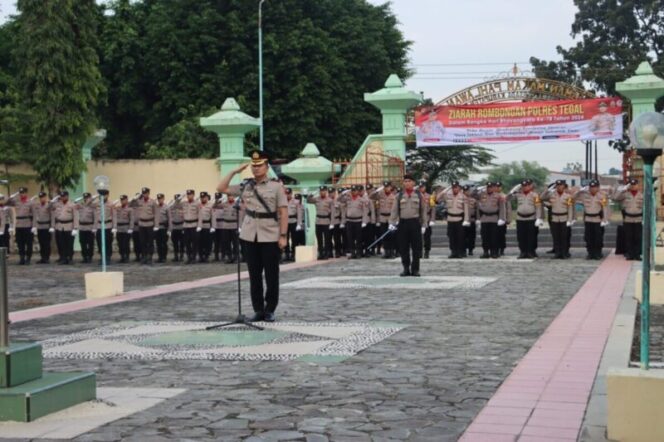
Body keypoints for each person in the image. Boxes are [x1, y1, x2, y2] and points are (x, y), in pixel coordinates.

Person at [216, 150, 288, 323]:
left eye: (259, 165)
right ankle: (258, 310)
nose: (256, 169)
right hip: (249, 235)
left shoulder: (276, 187)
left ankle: (270, 309)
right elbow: (221, 188)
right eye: (254, 166)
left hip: (270, 235)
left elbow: (283, 213)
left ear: (266, 166)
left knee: (271, 276)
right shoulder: (245, 186)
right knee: (254, 275)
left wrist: (283, 235)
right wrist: (234, 172)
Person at [390, 174, 427, 276]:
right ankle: (406, 268)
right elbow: (394, 211)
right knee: (403, 248)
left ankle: (415, 269)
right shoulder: (399, 196)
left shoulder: (419, 195)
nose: (407, 183)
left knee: (416, 248)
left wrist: (424, 225)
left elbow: (423, 211)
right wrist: (392, 223)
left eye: (409, 181)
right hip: (403, 224)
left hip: (415, 223)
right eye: (405, 181)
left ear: (413, 183)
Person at [573, 179, 609, 260]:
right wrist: (579, 191)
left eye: (595, 187)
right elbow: (573, 198)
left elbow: (605, 208)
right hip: (588, 219)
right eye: (591, 187)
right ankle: (590, 253)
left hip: (598, 219)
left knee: (598, 238)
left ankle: (598, 253)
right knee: (588, 237)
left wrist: (605, 219)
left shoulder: (602, 195)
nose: (593, 189)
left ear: (598, 187)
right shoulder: (584, 195)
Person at [508, 179, 543, 259]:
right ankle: (523, 252)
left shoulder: (535, 195)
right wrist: (514, 190)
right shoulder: (518, 194)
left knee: (531, 237)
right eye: (523, 186)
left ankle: (530, 252)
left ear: (530, 186)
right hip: (520, 218)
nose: (525, 187)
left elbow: (538, 207)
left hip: (531, 218)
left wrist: (538, 218)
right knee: (521, 236)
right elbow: (507, 199)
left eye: (527, 186)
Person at [541, 180, 574, 259]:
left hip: (564, 218)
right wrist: (547, 190)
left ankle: (564, 253)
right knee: (556, 237)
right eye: (557, 185)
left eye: (561, 185)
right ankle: (557, 253)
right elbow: (541, 197)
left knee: (564, 236)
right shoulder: (551, 194)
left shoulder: (568, 196)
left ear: (564, 186)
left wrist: (570, 219)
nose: (559, 187)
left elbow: (570, 208)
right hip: (555, 218)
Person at [612, 178, 643, 261]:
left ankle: (637, 254)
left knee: (637, 237)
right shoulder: (625, 194)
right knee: (629, 237)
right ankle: (630, 254)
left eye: (635, 184)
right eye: (631, 185)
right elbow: (615, 198)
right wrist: (622, 190)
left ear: (638, 185)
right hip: (628, 219)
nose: (633, 186)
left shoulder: (641, 195)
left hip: (638, 219)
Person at [436, 181, 469, 259]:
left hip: (459, 219)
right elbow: (437, 198)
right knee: (451, 237)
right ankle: (453, 252)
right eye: (453, 187)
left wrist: (466, 220)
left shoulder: (463, 196)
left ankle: (460, 252)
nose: (455, 189)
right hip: (450, 219)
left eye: (456, 187)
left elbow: (466, 209)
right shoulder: (448, 195)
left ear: (459, 188)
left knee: (460, 237)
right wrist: (446, 190)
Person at [474, 182, 506, 259]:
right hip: (484, 218)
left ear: (493, 188)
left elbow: (502, 208)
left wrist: (501, 218)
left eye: (491, 187)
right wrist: (479, 188)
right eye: (488, 187)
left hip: (494, 218)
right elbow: (472, 195)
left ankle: (494, 252)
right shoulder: (481, 195)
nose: (489, 188)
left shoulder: (498, 196)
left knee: (494, 237)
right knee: (485, 237)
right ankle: (485, 252)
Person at [130, 187, 159, 264]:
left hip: (149, 224)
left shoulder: (152, 202)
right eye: (143, 193)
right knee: (142, 242)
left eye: (146, 193)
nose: (144, 195)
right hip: (141, 224)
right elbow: (130, 205)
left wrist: (156, 225)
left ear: (148, 193)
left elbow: (156, 214)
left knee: (150, 242)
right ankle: (144, 256)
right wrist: (134, 198)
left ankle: (150, 257)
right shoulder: (139, 202)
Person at [369, 182, 397, 259]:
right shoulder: (380, 195)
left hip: (390, 218)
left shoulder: (393, 196)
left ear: (390, 187)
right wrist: (377, 190)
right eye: (385, 187)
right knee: (384, 235)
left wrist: (396, 220)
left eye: (388, 187)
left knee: (391, 236)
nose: (386, 188)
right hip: (382, 218)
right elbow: (371, 196)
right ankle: (386, 252)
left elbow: (396, 210)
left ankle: (391, 252)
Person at [340, 185, 369, 259]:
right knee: (350, 238)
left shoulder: (362, 200)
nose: (354, 192)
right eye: (352, 191)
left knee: (359, 238)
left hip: (358, 221)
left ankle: (359, 253)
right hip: (349, 221)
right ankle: (353, 253)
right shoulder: (347, 199)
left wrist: (364, 221)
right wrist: (343, 193)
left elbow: (365, 211)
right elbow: (338, 199)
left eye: (355, 190)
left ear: (357, 191)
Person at [7, 187, 34, 265]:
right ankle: (22, 258)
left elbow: (34, 215)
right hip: (19, 225)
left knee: (28, 243)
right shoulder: (16, 201)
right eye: (21, 193)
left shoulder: (30, 202)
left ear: (26, 193)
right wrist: (11, 197)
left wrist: (34, 226)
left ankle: (28, 258)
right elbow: (7, 203)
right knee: (20, 243)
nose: (22, 194)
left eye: (23, 193)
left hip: (28, 224)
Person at [307, 186, 334, 260]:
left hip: (326, 221)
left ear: (326, 191)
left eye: (324, 191)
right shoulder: (316, 199)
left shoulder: (330, 200)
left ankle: (326, 253)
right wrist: (312, 193)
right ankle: (321, 253)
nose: (322, 192)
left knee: (327, 239)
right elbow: (308, 200)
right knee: (319, 239)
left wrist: (332, 223)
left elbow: (333, 212)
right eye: (321, 191)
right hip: (318, 221)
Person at [52, 191, 79, 264]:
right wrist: (54, 200)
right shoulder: (57, 204)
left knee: (69, 243)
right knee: (61, 243)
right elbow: (50, 207)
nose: (62, 198)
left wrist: (75, 228)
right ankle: (63, 258)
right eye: (61, 196)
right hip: (60, 226)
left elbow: (75, 216)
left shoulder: (72, 205)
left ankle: (70, 258)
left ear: (67, 196)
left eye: (64, 196)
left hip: (69, 226)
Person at [94, 190, 114, 264]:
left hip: (108, 225)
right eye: (101, 195)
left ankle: (108, 257)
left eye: (104, 195)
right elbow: (87, 204)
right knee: (99, 242)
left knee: (108, 242)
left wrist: (114, 227)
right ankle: (102, 257)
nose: (103, 196)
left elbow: (114, 215)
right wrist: (94, 197)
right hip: (99, 225)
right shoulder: (96, 204)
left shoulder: (111, 204)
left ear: (108, 195)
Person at [180, 189, 200, 264]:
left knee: (194, 242)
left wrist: (199, 225)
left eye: (190, 194)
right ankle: (189, 257)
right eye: (188, 195)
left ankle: (194, 257)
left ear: (193, 195)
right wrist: (179, 198)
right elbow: (174, 206)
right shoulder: (184, 203)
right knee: (187, 242)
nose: (189, 196)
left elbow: (200, 215)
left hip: (194, 225)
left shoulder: (197, 203)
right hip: (186, 225)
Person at [113, 195, 134, 263]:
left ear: (127, 200)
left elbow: (131, 219)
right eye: (121, 200)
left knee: (126, 244)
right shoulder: (118, 208)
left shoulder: (130, 209)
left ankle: (127, 256)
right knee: (120, 244)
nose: (122, 201)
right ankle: (122, 256)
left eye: (124, 200)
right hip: (119, 228)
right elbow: (112, 207)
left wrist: (131, 228)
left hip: (126, 228)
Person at [33, 192, 53, 264]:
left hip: (47, 226)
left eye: (43, 197)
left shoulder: (49, 205)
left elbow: (52, 216)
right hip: (40, 226)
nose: (42, 199)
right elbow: (35, 216)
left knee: (46, 243)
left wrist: (52, 226)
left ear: (46, 197)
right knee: (41, 243)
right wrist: (34, 226)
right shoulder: (38, 205)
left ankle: (47, 257)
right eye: (40, 198)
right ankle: (42, 257)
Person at [284, 188, 303, 262]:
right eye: (286, 194)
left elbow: (299, 213)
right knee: (286, 238)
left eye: (288, 194)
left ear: (291, 194)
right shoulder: (283, 201)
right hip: (285, 222)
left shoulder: (296, 202)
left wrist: (299, 223)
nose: (287, 195)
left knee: (294, 239)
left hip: (293, 221)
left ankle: (293, 254)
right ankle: (287, 254)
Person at [419, 181, 436, 259]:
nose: (421, 188)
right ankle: (419, 252)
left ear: (425, 188)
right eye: (420, 187)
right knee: (418, 237)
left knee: (427, 237)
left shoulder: (430, 197)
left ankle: (427, 251)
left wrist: (432, 219)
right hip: (418, 219)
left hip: (427, 218)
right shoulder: (416, 196)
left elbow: (433, 208)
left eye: (422, 187)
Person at [77, 193, 96, 264]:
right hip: (82, 227)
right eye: (85, 198)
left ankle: (90, 256)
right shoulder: (80, 205)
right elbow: (74, 204)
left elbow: (95, 217)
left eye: (87, 198)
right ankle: (84, 257)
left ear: (90, 198)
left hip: (90, 227)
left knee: (90, 243)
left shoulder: (93, 206)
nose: (86, 199)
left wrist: (94, 227)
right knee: (82, 243)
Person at [197, 191, 213, 263]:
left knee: (207, 242)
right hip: (199, 226)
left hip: (207, 225)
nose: (202, 199)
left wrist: (213, 226)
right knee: (199, 242)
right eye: (201, 198)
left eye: (204, 197)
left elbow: (213, 217)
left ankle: (206, 256)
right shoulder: (198, 205)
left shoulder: (211, 205)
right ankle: (201, 256)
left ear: (207, 197)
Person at [169, 194, 185, 262]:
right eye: (176, 199)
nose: (177, 201)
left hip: (181, 227)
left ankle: (181, 256)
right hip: (174, 227)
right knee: (175, 243)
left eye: (178, 199)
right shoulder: (171, 207)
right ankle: (176, 256)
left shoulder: (183, 206)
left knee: (182, 243)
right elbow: (170, 217)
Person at [462, 185, 477, 256]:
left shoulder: (473, 200)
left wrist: (478, 219)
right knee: (463, 236)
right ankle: (463, 250)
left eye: (468, 191)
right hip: (463, 220)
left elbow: (476, 210)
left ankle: (471, 250)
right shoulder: (461, 200)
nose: (467, 192)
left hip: (472, 220)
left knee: (472, 236)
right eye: (465, 191)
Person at [155, 193, 170, 263]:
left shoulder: (167, 207)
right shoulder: (155, 207)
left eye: (161, 199)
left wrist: (169, 229)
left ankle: (164, 256)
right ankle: (160, 256)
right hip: (157, 228)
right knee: (158, 243)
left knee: (164, 243)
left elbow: (169, 219)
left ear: (163, 199)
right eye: (158, 199)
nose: (159, 200)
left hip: (164, 228)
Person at [212, 193, 225, 261]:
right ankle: (216, 256)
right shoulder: (213, 205)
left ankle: (223, 255)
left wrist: (219, 204)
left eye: (219, 197)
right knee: (216, 242)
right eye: (216, 197)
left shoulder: (224, 205)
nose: (217, 199)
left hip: (222, 225)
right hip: (215, 225)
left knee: (223, 241)